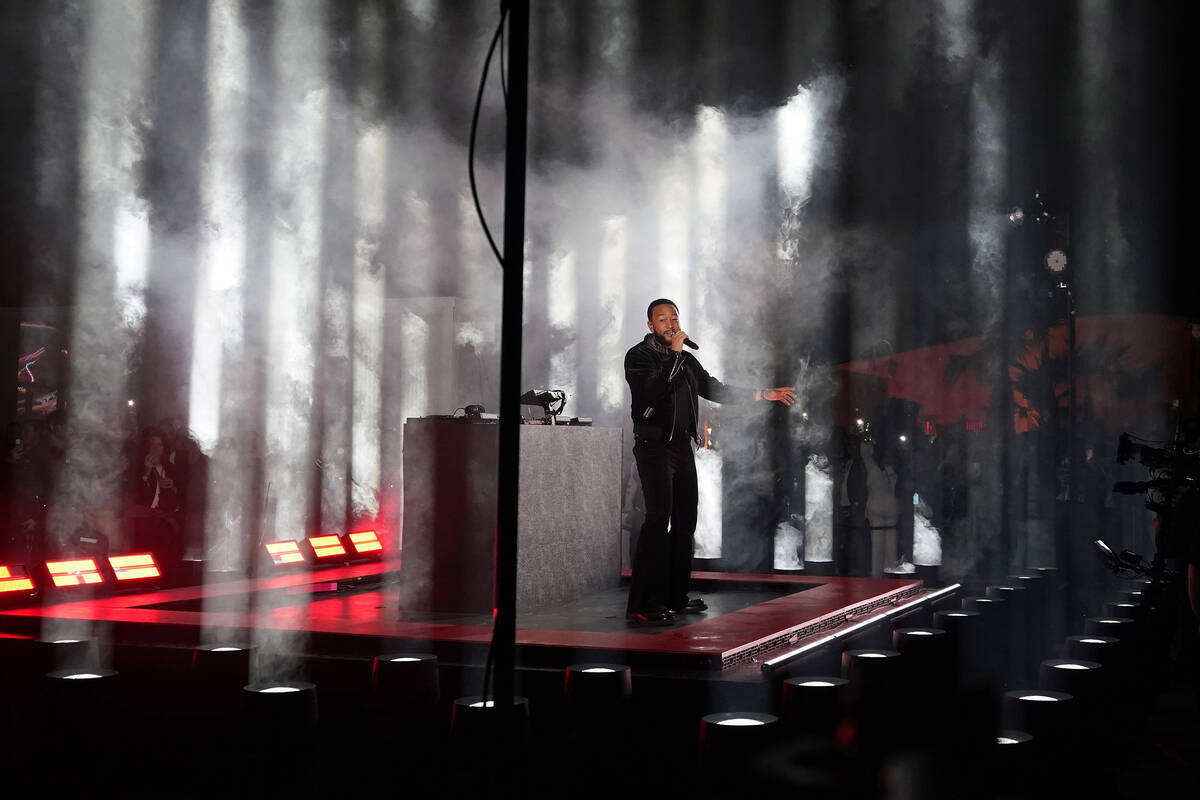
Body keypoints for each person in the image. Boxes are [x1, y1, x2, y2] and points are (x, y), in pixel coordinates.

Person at [624, 298, 797, 624]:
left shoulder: (687, 361)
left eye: (673, 317)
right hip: (654, 447)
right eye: (662, 319)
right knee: (658, 520)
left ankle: (675, 597)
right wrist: (674, 354)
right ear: (650, 326)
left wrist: (763, 394)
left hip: (681, 448)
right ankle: (642, 603)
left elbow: (715, 389)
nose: (670, 323)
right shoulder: (638, 357)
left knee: (686, 522)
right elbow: (652, 392)